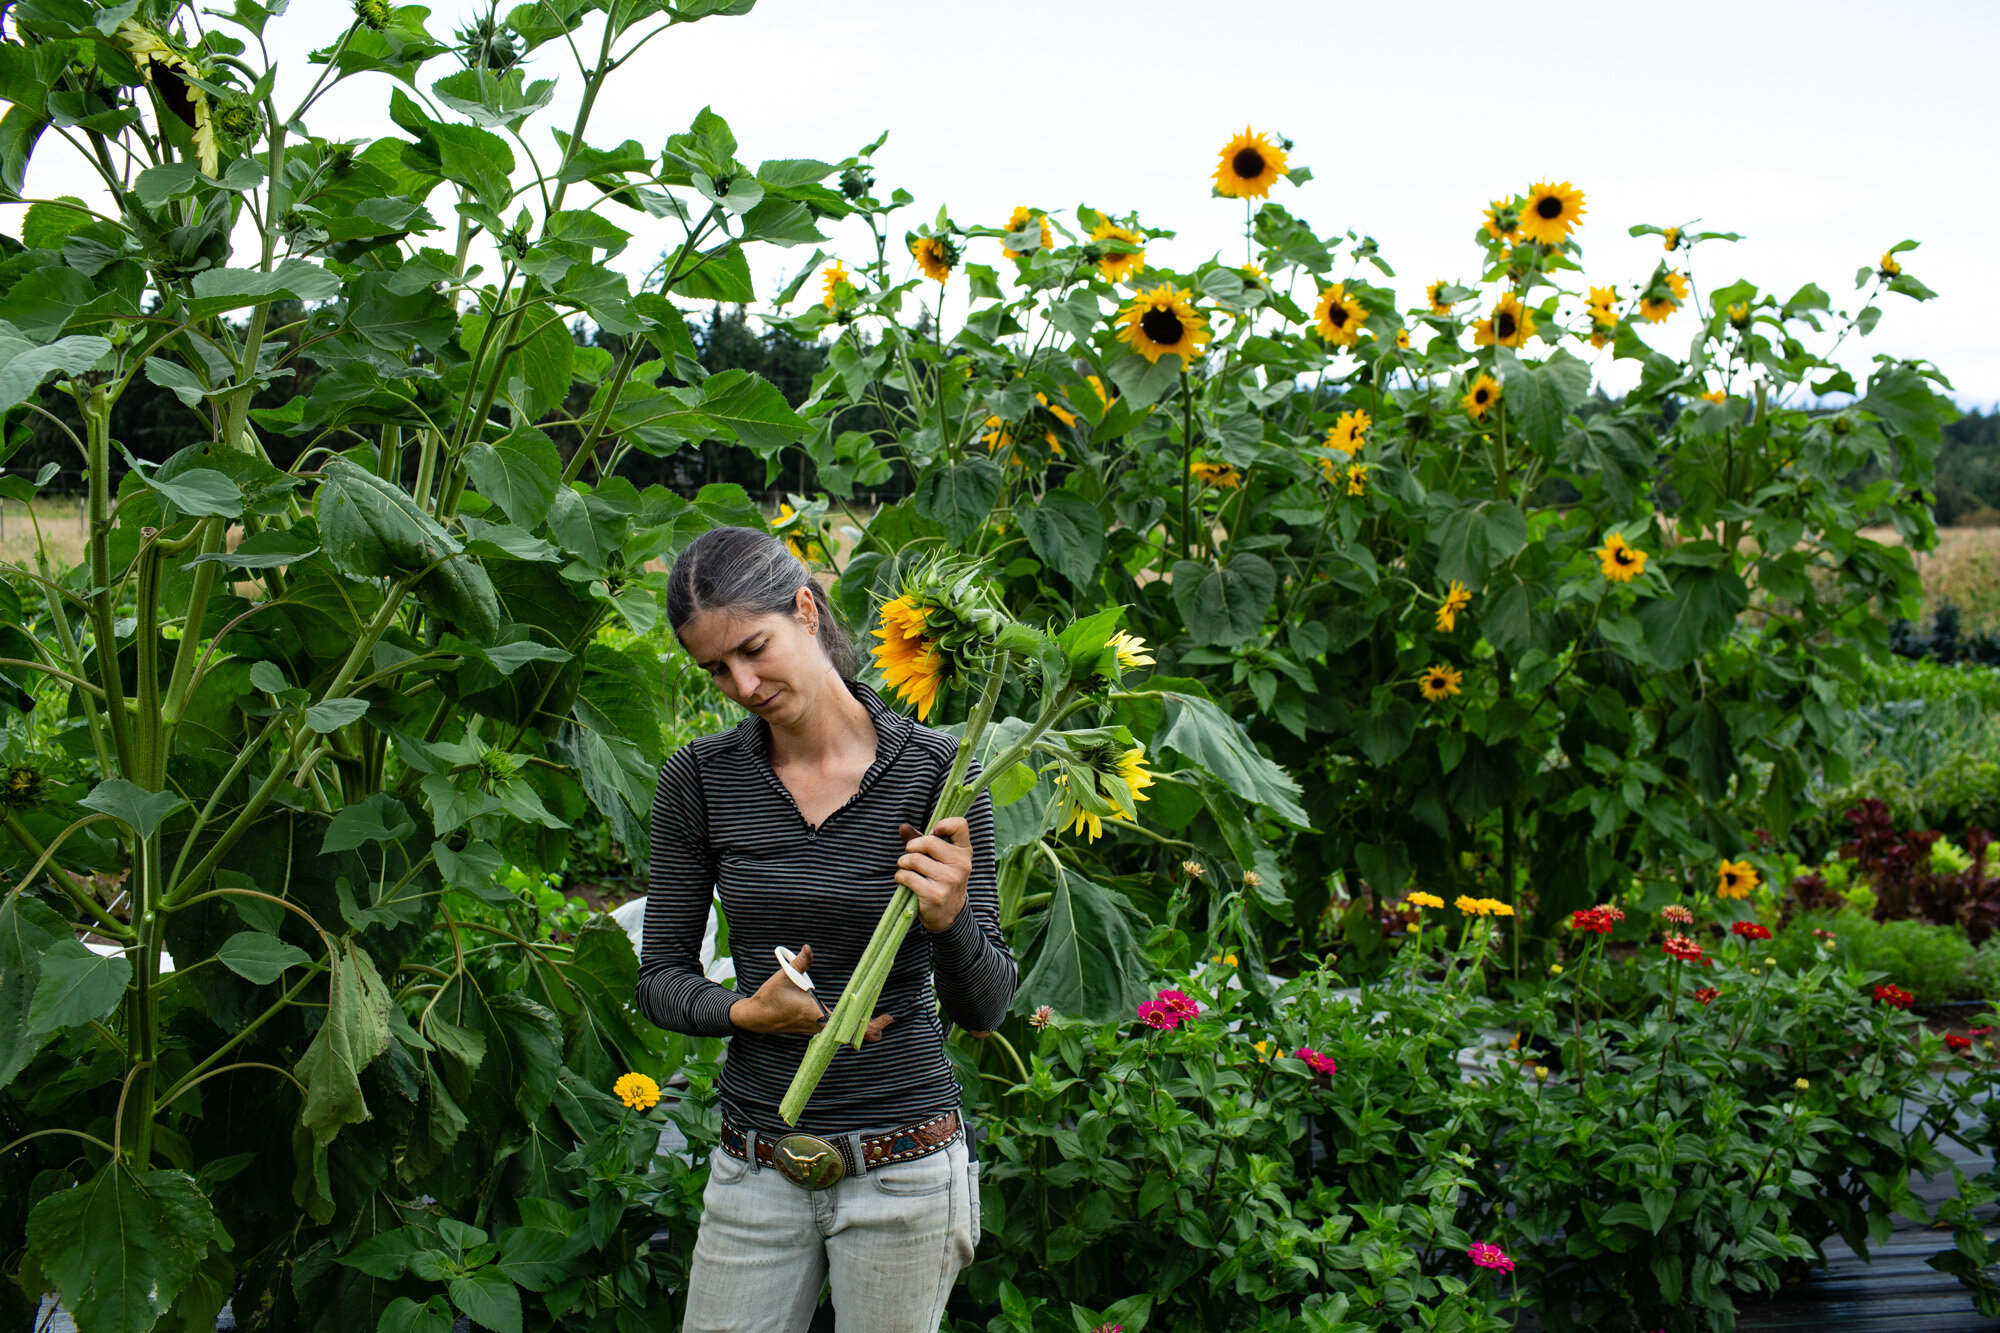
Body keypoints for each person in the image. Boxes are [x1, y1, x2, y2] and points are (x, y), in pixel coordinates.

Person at [637, 525, 1017, 1333]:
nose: (740, 682)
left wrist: (948, 921)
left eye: (753, 648)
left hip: (905, 1170)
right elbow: (661, 977)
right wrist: (745, 1011)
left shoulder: (940, 771)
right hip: (756, 1165)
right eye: (715, 668)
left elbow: (985, 1007)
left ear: (806, 610)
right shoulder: (700, 778)